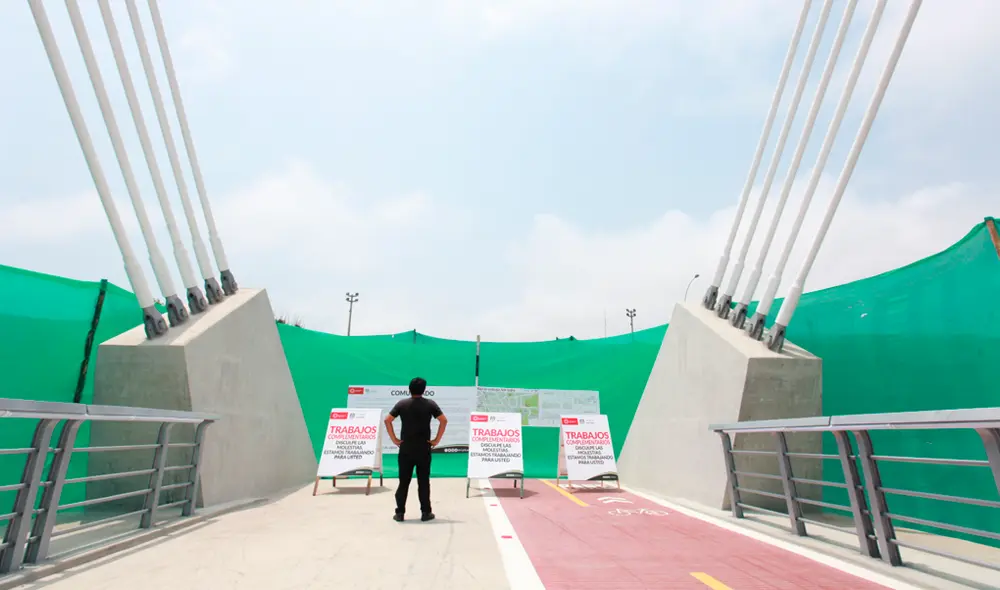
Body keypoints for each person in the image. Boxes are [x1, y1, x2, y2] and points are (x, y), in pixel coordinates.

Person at [384, 377, 448, 522]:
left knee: (403, 481)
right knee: (423, 481)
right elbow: (443, 420)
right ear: (424, 390)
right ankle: (426, 512)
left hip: (406, 448)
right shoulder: (430, 404)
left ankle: (400, 513)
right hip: (424, 448)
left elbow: (387, 420)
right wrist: (436, 440)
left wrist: (394, 439)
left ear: (409, 389)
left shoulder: (402, 404)